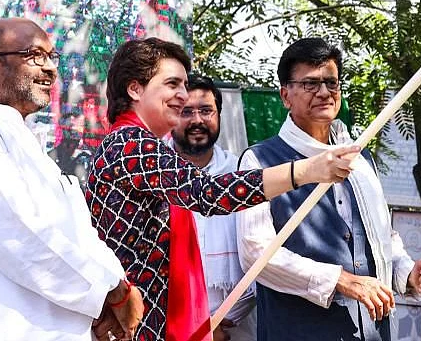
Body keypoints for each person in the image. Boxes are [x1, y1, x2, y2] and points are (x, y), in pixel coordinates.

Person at [88, 37, 358, 341]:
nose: (181, 95)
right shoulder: (131, 144)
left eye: (184, 85)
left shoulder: (132, 145)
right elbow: (206, 193)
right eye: (172, 84)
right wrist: (307, 170)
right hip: (136, 328)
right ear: (135, 88)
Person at [0, 18, 143, 341]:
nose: (51, 70)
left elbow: (78, 236)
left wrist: (114, 289)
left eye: (52, 57)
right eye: (35, 55)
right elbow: (18, 233)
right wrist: (111, 292)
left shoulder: (29, 147)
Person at [237, 37, 421, 341]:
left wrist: (408, 273)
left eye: (331, 83)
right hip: (299, 332)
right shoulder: (260, 161)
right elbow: (256, 255)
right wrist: (340, 280)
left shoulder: (360, 159)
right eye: (310, 84)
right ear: (285, 95)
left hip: (373, 331)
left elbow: (382, 237)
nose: (323, 92)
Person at [170, 74, 258, 341]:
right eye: (187, 112)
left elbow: (259, 256)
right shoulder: (154, 173)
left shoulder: (241, 173)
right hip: (167, 325)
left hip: (234, 328)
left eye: (206, 111)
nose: (197, 120)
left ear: (219, 115)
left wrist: (220, 323)